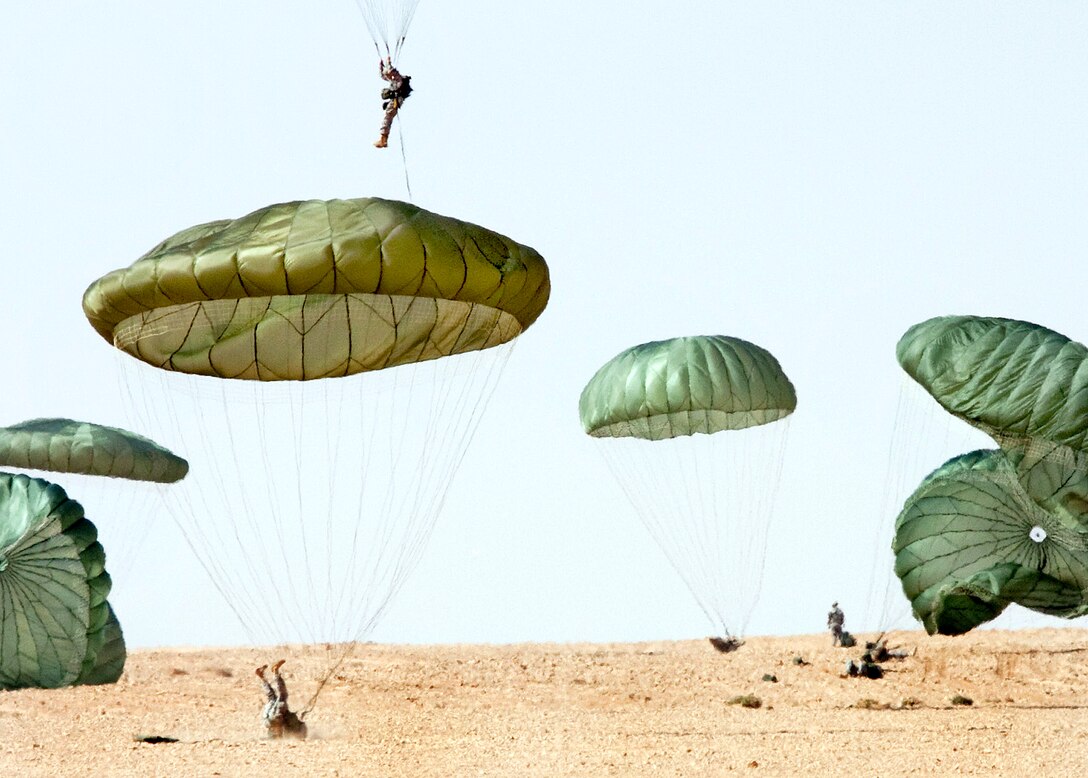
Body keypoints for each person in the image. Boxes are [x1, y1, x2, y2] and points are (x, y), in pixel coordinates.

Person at [256, 659, 308, 739]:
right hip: (269, 716)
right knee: (274, 696)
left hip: (274, 716)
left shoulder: (290, 729)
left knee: (280, 696)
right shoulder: (294, 728)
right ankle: (268, 674)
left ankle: (272, 673)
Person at [374, 58, 413, 148]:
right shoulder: (395, 80)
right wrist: (381, 66)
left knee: (387, 117)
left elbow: (390, 71)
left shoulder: (399, 80)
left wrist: (388, 63)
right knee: (387, 117)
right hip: (396, 100)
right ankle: (383, 139)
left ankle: (383, 140)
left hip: (396, 100)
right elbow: (384, 75)